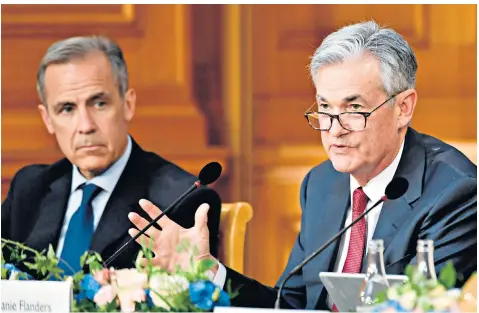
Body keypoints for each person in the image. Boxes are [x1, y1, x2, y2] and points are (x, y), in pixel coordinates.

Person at [128, 20, 477, 310]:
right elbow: (288, 304)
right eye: (325, 109)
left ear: (404, 107)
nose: (334, 130)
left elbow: (418, 308)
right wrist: (210, 274)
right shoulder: (323, 183)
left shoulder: (455, 193)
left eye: (353, 110)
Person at [1, 36, 222, 276]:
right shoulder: (30, 187)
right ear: (47, 119)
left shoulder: (180, 199)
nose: (85, 126)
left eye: (99, 104)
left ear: (128, 104)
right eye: (67, 109)